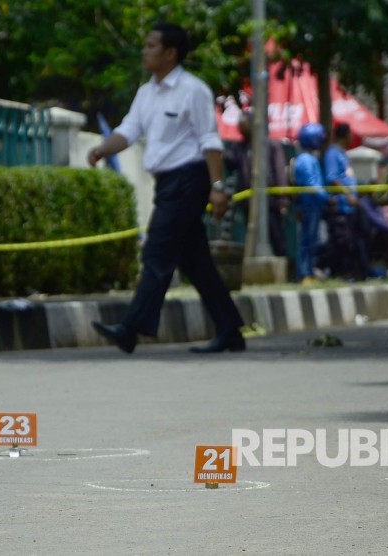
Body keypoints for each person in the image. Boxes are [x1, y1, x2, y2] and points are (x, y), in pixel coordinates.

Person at [87, 22, 245, 354]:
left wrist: (217, 187)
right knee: (195, 261)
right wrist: (103, 149)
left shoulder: (193, 90)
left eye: (150, 45)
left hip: (190, 179)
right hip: (167, 183)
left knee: (157, 251)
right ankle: (230, 328)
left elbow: (209, 140)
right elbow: (129, 130)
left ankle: (131, 328)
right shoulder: (146, 92)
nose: (144, 51)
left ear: (170, 52)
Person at [226, 110, 290, 256]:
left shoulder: (270, 145)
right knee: (251, 235)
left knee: (276, 236)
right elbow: (232, 164)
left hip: (270, 200)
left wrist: (282, 199)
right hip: (248, 200)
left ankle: (284, 266)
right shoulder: (239, 147)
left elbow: (280, 172)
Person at [321, 122, 368, 280]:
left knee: (352, 241)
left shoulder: (342, 154)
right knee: (341, 242)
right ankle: (336, 271)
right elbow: (332, 178)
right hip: (340, 207)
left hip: (350, 208)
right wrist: (348, 196)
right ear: (345, 135)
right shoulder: (333, 154)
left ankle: (353, 272)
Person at [293, 122, 328, 284]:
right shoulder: (306, 160)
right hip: (310, 205)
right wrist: (327, 198)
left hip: (312, 204)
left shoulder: (308, 158)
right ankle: (304, 273)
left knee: (311, 240)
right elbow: (311, 184)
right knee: (307, 241)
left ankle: (309, 272)